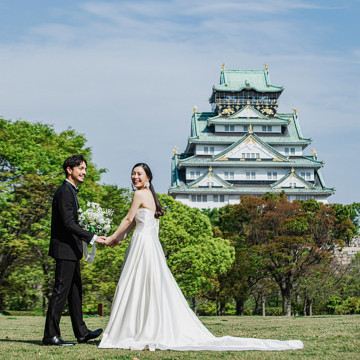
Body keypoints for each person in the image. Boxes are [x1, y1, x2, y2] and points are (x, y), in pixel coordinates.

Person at [98, 163, 304, 351]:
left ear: (148, 178)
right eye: (133, 173)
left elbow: (127, 219)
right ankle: (142, 327)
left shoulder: (139, 195)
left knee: (137, 284)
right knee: (147, 286)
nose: (135, 177)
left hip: (143, 245)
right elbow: (133, 224)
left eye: (139, 174)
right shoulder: (151, 196)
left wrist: (111, 238)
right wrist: (115, 240)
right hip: (148, 245)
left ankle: (135, 329)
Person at [43, 155, 105, 346]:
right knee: (60, 292)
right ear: (69, 170)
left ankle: (82, 332)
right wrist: (92, 237)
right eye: (80, 168)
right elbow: (69, 224)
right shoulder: (64, 192)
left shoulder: (71, 192)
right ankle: (50, 335)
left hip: (71, 251)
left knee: (75, 292)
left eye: (85, 168)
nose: (84, 172)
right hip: (64, 250)